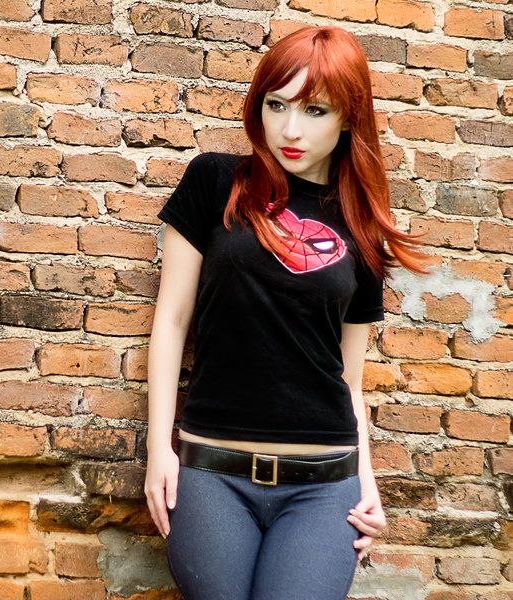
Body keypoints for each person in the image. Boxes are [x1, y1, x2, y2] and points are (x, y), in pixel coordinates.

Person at [144, 25, 430, 600]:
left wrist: (367, 482)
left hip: (324, 486)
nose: (290, 129)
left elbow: (349, 379)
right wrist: (158, 449)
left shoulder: (361, 227)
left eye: (315, 110)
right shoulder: (215, 182)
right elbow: (171, 323)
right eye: (276, 105)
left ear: (348, 118)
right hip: (212, 470)